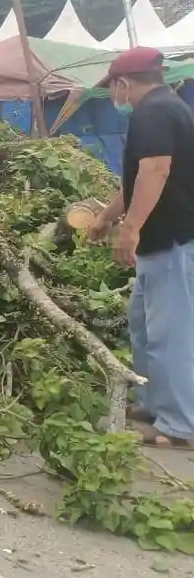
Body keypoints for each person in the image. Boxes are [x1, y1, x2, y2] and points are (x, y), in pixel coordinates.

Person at [89, 46, 194, 449]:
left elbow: (156, 170)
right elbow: (135, 178)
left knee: (172, 334)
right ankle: (153, 404)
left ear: (123, 82)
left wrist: (130, 229)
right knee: (144, 326)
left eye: (113, 88)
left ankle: (180, 425)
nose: (115, 97)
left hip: (172, 240)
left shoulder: (155, 112)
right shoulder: (165, 108)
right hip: (161, 244)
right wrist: (106, 217)